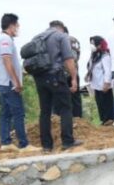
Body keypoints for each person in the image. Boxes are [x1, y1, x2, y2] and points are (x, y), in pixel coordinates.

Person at [28, 20, 81, 150]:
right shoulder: (61, 36)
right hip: (55, 76)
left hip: (39, 78)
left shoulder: (37, 37)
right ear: (61, 28)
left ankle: (46, 145)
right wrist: (73, 78)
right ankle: (67, 141)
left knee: (45, 111)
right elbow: (69, 59)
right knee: (65, 107)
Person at [0, 13, 35, 151]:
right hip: (9, 83)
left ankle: (6, 143)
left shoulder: (2, 39)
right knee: (19, 113)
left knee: (6, 113)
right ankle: (24, 144)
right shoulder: (5, 40)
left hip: (3, 82)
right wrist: (16, 82)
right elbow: (7, 61)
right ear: (11, 26)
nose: (18, 28)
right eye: (17, 25)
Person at [85, 36, 114, 125]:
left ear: (98, 45)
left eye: (93, 44)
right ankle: (103, 120)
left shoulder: (105, 55)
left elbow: (108, 70)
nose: (91, 45)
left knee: (107, 103)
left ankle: (110, 119)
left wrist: (106, 83)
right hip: (96, 84)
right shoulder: (94, 55)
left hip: (104, 84)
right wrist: (88, 75)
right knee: (100, 103)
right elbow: (91, 67)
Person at [64, 26, 83, 118]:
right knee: (75, 98)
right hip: (74, 71)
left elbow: (72, 57)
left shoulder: (65, 40)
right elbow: (76, 57)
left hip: (63, 73)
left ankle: (64, 119)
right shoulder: (74, 40)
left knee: (62, 98)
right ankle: (77, 118)